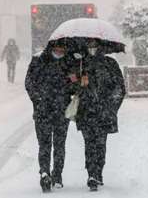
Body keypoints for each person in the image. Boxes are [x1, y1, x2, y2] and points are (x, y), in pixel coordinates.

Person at [70, 39, 126, 191]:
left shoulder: (110, 64)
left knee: (100, 144)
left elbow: (120, 88)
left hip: (104, 112)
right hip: (86, 111)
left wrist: (112, 106)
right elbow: (71, 85)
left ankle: (98, 171)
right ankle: (91, 174)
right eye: (89, 46)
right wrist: (78, 82)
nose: (92, 49)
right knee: (89, 144)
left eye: (95, 46)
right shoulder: (80, 64)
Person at [25, 44, 71, 192]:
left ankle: (56, 174)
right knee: (46, 145)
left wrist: (74, 81)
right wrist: (38, 99)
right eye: (57, 49)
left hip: (59, 111)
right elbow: (29, 83)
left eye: (62, 49)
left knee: (58, 145)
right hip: (44, 111)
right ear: (51, 48)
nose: (60, 51)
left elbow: (73, 87)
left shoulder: (68, 62)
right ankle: (45, 173)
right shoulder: (38, 61)